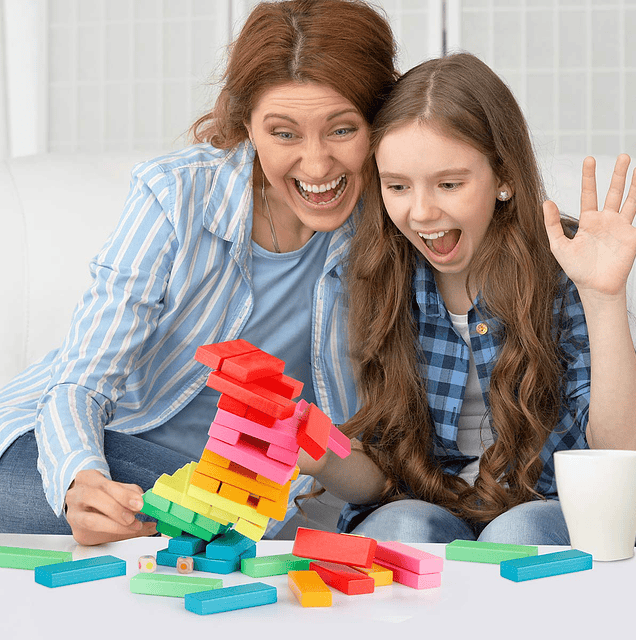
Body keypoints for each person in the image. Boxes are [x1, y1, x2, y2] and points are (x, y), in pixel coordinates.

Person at [0, 0, 397, 545]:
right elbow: (80, 382)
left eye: (342, 129)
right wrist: (81, 481)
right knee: (39, 490)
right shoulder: (175, 195)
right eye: (283, 134)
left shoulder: (397, 225)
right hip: (103, 446)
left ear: (380, 123)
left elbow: (381, 455)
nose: (316, 164)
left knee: (234, 526)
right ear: (247, 126)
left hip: (245, 495)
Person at [298, 52, 636, 544]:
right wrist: (326, 456)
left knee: (515, 533)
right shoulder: (373, 276)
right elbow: (377, 479)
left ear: (503, 177)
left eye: (450, 184)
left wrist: (604, 298)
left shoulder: (567, 266)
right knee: (401, 526)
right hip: (425, 509)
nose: (420, 212)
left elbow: (617, 453)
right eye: (397, 186)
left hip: (545, 510)